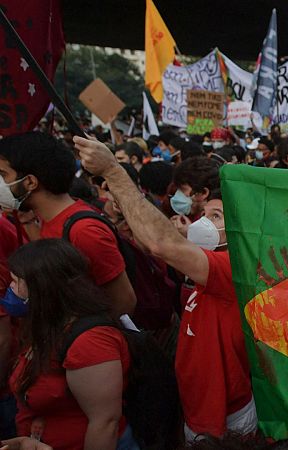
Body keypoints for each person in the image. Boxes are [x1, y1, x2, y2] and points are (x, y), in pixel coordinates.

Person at [74, 136, 256, 440]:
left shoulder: (232, 268)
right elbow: (151, 243)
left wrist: (114, 171)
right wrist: (128, 203)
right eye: (205, 214)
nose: (203, 223)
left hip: (219, 413)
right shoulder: (213, 261)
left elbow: (160, 244)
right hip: (199, 403)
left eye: (216, 217)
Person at [7, 239, 135, 449]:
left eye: (16, 281)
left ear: (42, 287)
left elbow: (104, 423)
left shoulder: (90, 342)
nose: (11, 288)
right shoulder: (49, 325)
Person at [0, 132, 135, 317]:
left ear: (30, 182)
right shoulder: (48, 219)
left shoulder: (84, 231)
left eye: (3, 175)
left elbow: (124, 302)